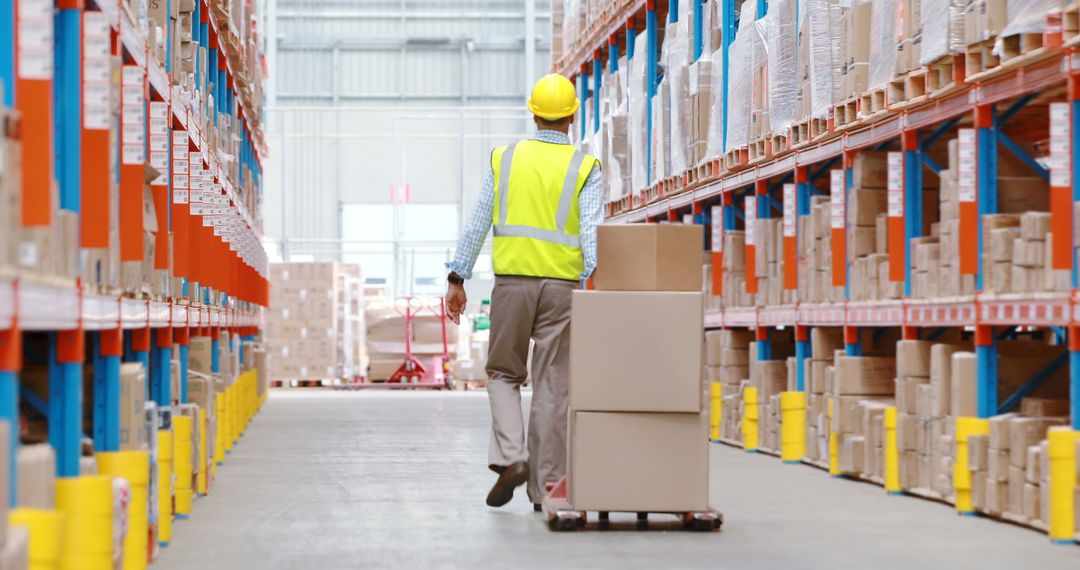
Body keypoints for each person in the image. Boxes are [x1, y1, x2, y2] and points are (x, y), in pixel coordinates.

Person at [444, 73, 602, 509]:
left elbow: (478, 222)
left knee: (502, 374)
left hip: (512, 284)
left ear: (533, 114)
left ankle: (513, 456)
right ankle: (547, 490)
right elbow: (592, 241)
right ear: (572, 116)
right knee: (552, 385)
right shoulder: (585, 166)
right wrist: (590, 283)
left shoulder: (505, 158)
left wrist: (457, 278)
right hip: (562, 290)